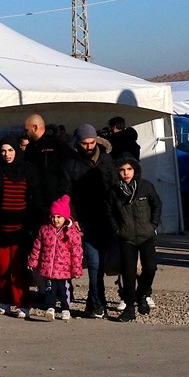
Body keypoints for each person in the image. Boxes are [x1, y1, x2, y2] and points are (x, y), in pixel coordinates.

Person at [58, 123, 116, 318]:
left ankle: (95, 302)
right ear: (77, 143)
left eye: (92, 142)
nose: (89, 146)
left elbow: (113, 187)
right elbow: (65, 192)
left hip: (106, 218)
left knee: (103, 263)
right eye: (84, 143)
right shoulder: (70, 163)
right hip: (83, 219)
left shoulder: (107, 161)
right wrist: (72, 218)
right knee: (93, 262)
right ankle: (98, 303)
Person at [0, 140, 37, 316]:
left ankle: (23, 304)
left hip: (22, 227)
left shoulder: (28, 169)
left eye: (10, 150)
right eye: (3, 151)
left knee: (19, 268)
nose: (7, 154)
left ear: (17, 151)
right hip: (1, 227)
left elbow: (35, 197)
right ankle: (4, 301)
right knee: (2, 267)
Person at [108, 156, 161, 322]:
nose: (126, 173)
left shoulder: (145, 187)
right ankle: (130, 308)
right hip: (127, 237)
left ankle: (143, 294)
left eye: (129, 169)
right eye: (123, 170)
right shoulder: (114, 190)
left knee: (150, 268)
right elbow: (108, 212)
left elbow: (157, 205)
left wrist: (153, 225)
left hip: (146, 235)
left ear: (135, 170)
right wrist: (117, 230)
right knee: (128, 274)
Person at [27, 195, 83, 321]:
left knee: (64, 291)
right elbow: (37, 247)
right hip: (49, 269)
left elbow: (76, 252)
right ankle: (50, 308)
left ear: (65, 217)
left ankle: (65, 309)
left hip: (64, 270)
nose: (56, 220)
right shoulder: (45, 230)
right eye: (53, 217)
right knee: (50, 289)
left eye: (59, 217)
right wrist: (33, 261)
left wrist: (77, 269)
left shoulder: (70, 233)